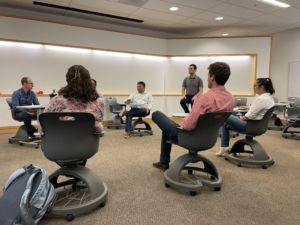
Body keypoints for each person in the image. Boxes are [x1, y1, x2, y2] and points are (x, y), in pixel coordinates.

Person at [152, 62, 234, 171]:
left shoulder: (204, 98)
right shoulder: (230, 98)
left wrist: (181, 123)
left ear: (212, 77)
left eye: (208, 75)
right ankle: (163, 162)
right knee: (168, 127)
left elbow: (188, 126)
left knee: (156, 114)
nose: (207, 78)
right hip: (210, 139)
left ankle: (164, 162)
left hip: (190, 138)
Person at [217, 78, 275, 156]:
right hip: (258, 126)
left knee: (225, 115)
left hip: (251, 127)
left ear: (262, 87)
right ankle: (224, 148)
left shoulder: (261, 99)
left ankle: (224, 148)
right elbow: (256, 113)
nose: (253, 87)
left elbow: (250, 116)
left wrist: (241, 117)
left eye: (255, 86)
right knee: (226, 124)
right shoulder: (269, 98)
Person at [45, 65, 104, 132]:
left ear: (67, 80)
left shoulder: (56, 101)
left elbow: (44, 122)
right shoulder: (98, 102)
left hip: (59, 140)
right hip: (87, 141)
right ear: (89, 80)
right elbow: (99, 128)